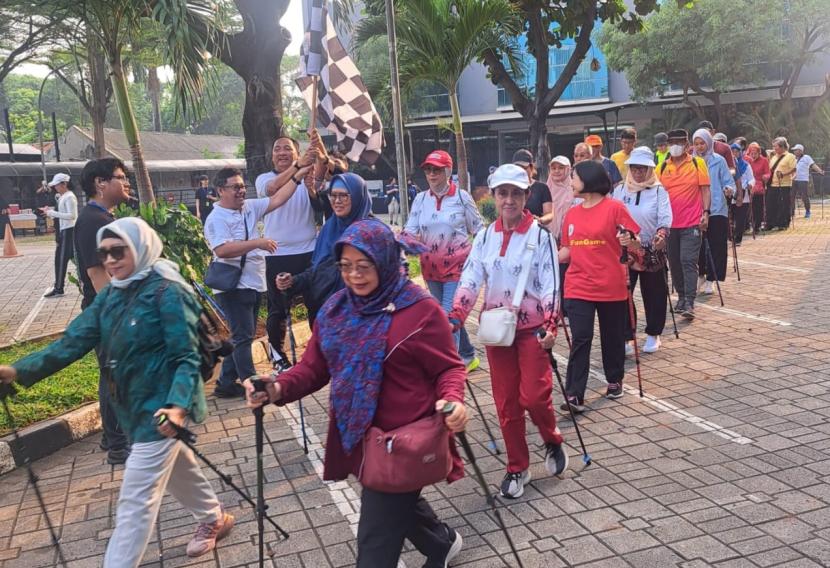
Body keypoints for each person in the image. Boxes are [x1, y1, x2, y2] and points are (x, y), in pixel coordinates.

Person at [0, 218, 235, 566]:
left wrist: (176, 406)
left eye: (118, 250)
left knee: (135, 502)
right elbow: (71, 343)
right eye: (104, 253)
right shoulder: (112, 293)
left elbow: (185, 358)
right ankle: (214, 517)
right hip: (132, 407)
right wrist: (17, 371)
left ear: (140, 248)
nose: (110, 260)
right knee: (176, 467)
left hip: (163, 408)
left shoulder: (169, 291)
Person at [246, 219, 469, 568]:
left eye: (364, 266)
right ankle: (441, 543)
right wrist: (276, 387)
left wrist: (453, 399)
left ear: (384, 261)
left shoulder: (420, 310)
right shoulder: (336, 310)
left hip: (402, 440)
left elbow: (449, 368)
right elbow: (313, 368)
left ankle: (436, 544)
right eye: (346, 266)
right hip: (357, 434)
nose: (354, 275)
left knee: (376, 541)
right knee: (394, 495)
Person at [450, 163, 568, 499]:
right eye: (503, 193)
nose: (509, 200)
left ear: (527, 196)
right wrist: (456, 315)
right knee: (507, 404)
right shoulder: (485, 237)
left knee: (534, 396)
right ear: (494, 196)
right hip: (497, 333)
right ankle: (517, 467)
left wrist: (551, 323)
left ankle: (551, 438)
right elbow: (471, 279)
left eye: (516, 193)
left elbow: (551, 285)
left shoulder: (541, 237)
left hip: (533, 332)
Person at [204, 165, 310, 398]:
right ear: (221, 190)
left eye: (242, 186)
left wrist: (298, 176)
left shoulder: (249, 207)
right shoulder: (216, 218)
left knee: (242, 335)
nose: (241, 191)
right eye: (235, 187)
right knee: (243, 336)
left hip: (252, 281)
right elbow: (222, 250)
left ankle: (225, 383)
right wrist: (258, 243)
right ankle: (251, 385)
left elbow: (278, 198)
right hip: (232, 285)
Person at [558, 160, 640, 413]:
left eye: (574, 176)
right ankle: (574, 394)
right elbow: (566, 251)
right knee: (581, 337)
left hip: (610, 284)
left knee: (612, 336)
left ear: (589, 180)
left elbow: (635, 240)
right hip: (578, 285)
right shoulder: (571, 213)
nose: (571, 181)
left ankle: (614, 380)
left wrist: (630, 240)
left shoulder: (615, 208)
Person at [404, 150, 484, 372]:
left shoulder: (461, 197)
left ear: (448, 171)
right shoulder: (420, 200)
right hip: (430, 269)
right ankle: (468, 354)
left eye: (437, 170)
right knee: (446, 315)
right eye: (428, 170)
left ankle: (450, 369)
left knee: (447, 317)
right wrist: (400, 242)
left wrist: (481, 260)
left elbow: (479, 230)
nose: (431, 174)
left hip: (457, 268)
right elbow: (410, 230)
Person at [75, 158, 132, 464]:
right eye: (120, 177)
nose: (126, 183)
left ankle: (116, 436)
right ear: (100, 183)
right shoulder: (92, 222)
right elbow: (98, 275)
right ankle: (117, 444)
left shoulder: (103, 218)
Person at [255, 134, 319, 371]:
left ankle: (321, 351)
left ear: (297, 151)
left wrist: (314, 163)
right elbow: (273, 189)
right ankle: (279, 358)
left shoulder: (307, 178)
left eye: (287, 149)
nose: (281, 152)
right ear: (272, 155)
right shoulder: (264, 179)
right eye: (277, 149)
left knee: (316, 306)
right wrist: (298, 166)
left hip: (309, 252)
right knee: (278, 310)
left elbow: (320, 200)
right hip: (277, 254)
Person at [276, 173, 372, 326]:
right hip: (328, 318)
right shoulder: (329, 228)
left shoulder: (372, 232)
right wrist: (292, 281)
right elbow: (319, 271)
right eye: (333, 195)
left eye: (344, 196)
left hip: (363, 319)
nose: (337, 201)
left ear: (357, 196)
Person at [612, 147, 673, 354]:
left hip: (651, 249)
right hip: (626, 250)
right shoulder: (620, 190)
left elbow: (665, 218)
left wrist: (661, 235)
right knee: (623, 294)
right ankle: (627, 336)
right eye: (635, 168)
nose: (638, 173)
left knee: (654, 293)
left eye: (643, 169)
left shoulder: (658, 190)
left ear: (650, 170)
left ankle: (653, 334)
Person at [657, 129, 710, 320]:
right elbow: (656, 193)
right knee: (675, 262)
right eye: (672, 143)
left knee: (688, 260)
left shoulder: (697, 163)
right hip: (670, 225)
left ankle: (689, 301)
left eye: (679, 143)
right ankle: (680, 296)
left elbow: (704, 189)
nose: (675, 146)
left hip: (692, 222)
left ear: (687, 146)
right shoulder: (662, 167)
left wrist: (706, 213)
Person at [693, 129, 736, 296]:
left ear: (709, 143)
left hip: (717, 207)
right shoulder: (692, 162)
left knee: (717, 244)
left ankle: (712, 278)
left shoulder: (719, 160)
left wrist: (729, 189)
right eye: (696, 144)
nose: (699, 146)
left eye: (702, 143)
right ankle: (700, 274)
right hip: (696, 208)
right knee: (698, 244)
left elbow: (728, 180)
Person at [42, 173, 78, 298]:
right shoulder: (63, 196)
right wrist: (51, 212)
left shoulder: (69, 197)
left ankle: (59, 288)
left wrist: (52, 212)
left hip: (69, 230)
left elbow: (72, 215)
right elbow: (62, 214)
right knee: (62, 259)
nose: (55, 187)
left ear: (64, 184)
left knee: (62, 260)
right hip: (64, 230)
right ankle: (58, 286)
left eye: (57, 185)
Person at [513, 148, 553, 225]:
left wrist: (539, 220)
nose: (520, 171)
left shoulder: (542, 188)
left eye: (524, 168)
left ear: (531, 167)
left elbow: (549, 214)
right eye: (517, 168)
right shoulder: (510, 187)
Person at [766, 137, 797, 230]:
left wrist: (784, 174)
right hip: (772, 184)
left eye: (776, 147)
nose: (774, 148)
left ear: (782, 146)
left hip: (784, 184)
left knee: (783, 204)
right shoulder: (774, 157)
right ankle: (771, 223)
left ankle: (783, 223)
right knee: (771, 204)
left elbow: (794, 169)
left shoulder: (790, 156)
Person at [792, 144, 825, 219]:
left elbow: (813, 165)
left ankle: (807, 211)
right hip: (793, 179)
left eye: (795, 150)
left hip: (803, 179)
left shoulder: (806, 157)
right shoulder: (793, 158)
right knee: (791, 196)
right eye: (794, 150)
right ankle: (792, 212)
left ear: (800, 151)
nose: (794, 151)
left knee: (804, 196)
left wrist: (820, 171)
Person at [731, 143, 754, 245]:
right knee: (732, 217)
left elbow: (752, 178)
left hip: (743, 193)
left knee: (740, 218)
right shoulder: (728, 165)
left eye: (737, 151)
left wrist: (750, 184)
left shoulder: (746, 165)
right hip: (731, 193)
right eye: (733, 151)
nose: (735, 154)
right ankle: (731, 236)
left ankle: (738, 238)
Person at [746, 142, 770, 233]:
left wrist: (766, 177)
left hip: (759, 184)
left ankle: (757, 225)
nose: (753, 155)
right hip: (749, 184)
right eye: (751, 153)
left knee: (758, 207)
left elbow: (768, 172)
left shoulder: (764, 160)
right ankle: (747, 225)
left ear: (759, 152)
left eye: (755, 153)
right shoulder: (747, 160)